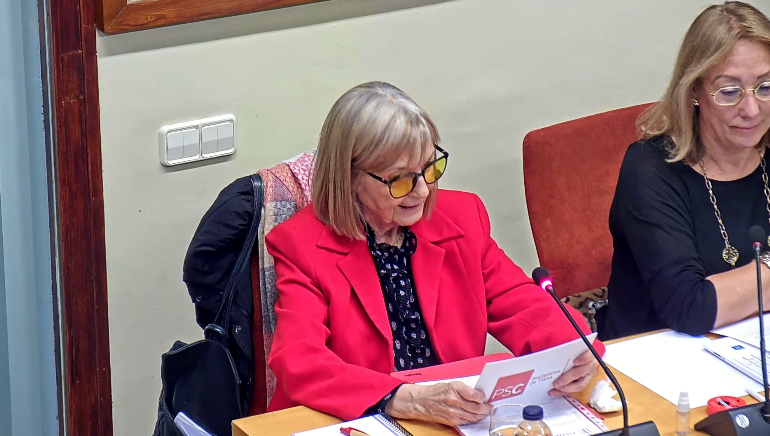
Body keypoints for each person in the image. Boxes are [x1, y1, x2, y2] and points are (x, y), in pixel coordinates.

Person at [265, 81, 603, 425]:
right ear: (349, 177)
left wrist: (575, 351)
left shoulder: (462, 218)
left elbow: (525, 306)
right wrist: (400, 398)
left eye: (430, 168)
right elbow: (299, 360)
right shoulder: (301, 244)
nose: (423, 191)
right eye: (400, 179)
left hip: (452, 418)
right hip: (357, 418)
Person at [600, 1, 770, 341]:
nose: (751, 109)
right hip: (656, 356)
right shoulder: (650, 168)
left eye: (766, 87)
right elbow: (690, 307)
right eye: (729, 91)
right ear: (693, 90)